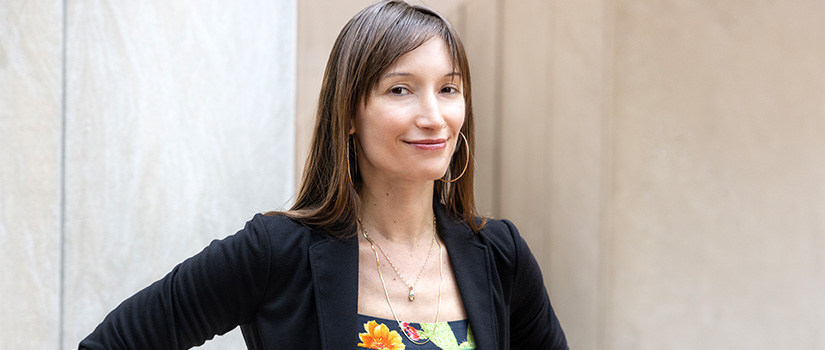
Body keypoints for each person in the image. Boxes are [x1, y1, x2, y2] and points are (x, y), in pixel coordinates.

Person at [79, 1, 568, 349]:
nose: (433, 115)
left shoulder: (501, 255)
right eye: (400, 90)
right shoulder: (275, 252)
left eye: (447, 88)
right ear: (348, 114)